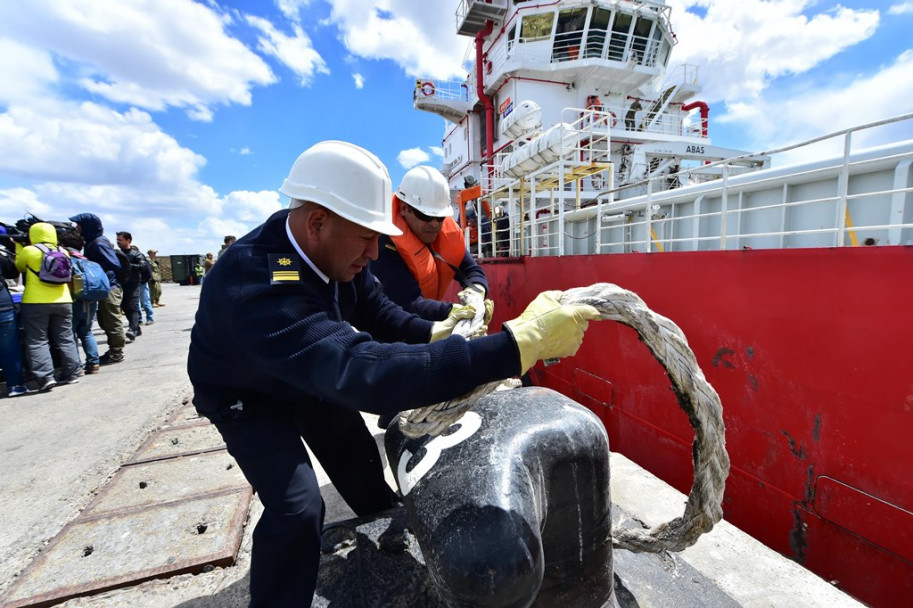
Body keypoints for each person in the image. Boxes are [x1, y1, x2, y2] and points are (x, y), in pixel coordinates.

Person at [186, 140, 599, 608]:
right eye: (367, 238)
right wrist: (514, 347)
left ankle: (387, 534)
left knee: (358, 456)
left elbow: (382, 315)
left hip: (308, 371)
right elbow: (361, 370)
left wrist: (439, 331)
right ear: (318, 223)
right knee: (297, 506)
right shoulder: (256, 283)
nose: (375, 251)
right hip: (248, 394)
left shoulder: (341, 252)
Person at [369, 165, 490, 322]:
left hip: (425, 317)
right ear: (404, 208)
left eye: (440, 218)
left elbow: (472, 270)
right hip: (390, 328)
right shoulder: (383, 244)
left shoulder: (446, 235)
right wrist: (454, 311)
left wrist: (477, 291)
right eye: (425, 215)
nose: (434, 224)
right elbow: (407, 303)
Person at [14, 222, 82, 391]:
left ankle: (45, 377)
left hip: (35, 301)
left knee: (38, 340)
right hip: (63, 300)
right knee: (66, 338)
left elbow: (18, 267)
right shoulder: (63, 251)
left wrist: (18, 247)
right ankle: (72, 373)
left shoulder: (29, 251)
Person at [69, 213, 127, 364]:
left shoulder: (98, 243)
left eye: (79, 226)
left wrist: (91, 267)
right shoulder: (93, 242)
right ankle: (114, 350)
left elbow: (114, 264)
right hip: (105, 287)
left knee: (112, 321)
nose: (77, 228)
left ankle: (116, 352)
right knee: (104, 321)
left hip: (109, 288)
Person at [59, 230, 101, 374]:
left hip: (73, 301)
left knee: (70, 335)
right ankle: (94, 364)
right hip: (90, 301)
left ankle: (77, 368)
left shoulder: (66, 260)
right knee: (87, 332)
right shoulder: (87, 261)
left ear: (63, 245)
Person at [0, 227, 30, 396]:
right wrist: (12, 247)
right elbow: (13, 271)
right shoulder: (2, 253)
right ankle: (15, 385)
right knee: (9, 347)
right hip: (3, 303)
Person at [116, 232, 145, 340]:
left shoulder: (136, 254)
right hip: (121, 284)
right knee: (125, 307)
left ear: (128, 240)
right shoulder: (117, 254)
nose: (118, 242)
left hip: (133, 285)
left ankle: (132, 329)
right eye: (117, 240)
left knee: (133, 307)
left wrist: (127, 265)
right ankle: (136, 327)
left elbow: (142, 266)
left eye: (120, 240)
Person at [134, 245, 154, 325]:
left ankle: (150, 318)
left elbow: (149, 272)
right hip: (133, 284)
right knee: (136, 303)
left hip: (142, 283)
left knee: (145, 301)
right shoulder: (129, 261)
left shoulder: (143, 260)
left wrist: (144, 280)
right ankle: (139, 319)